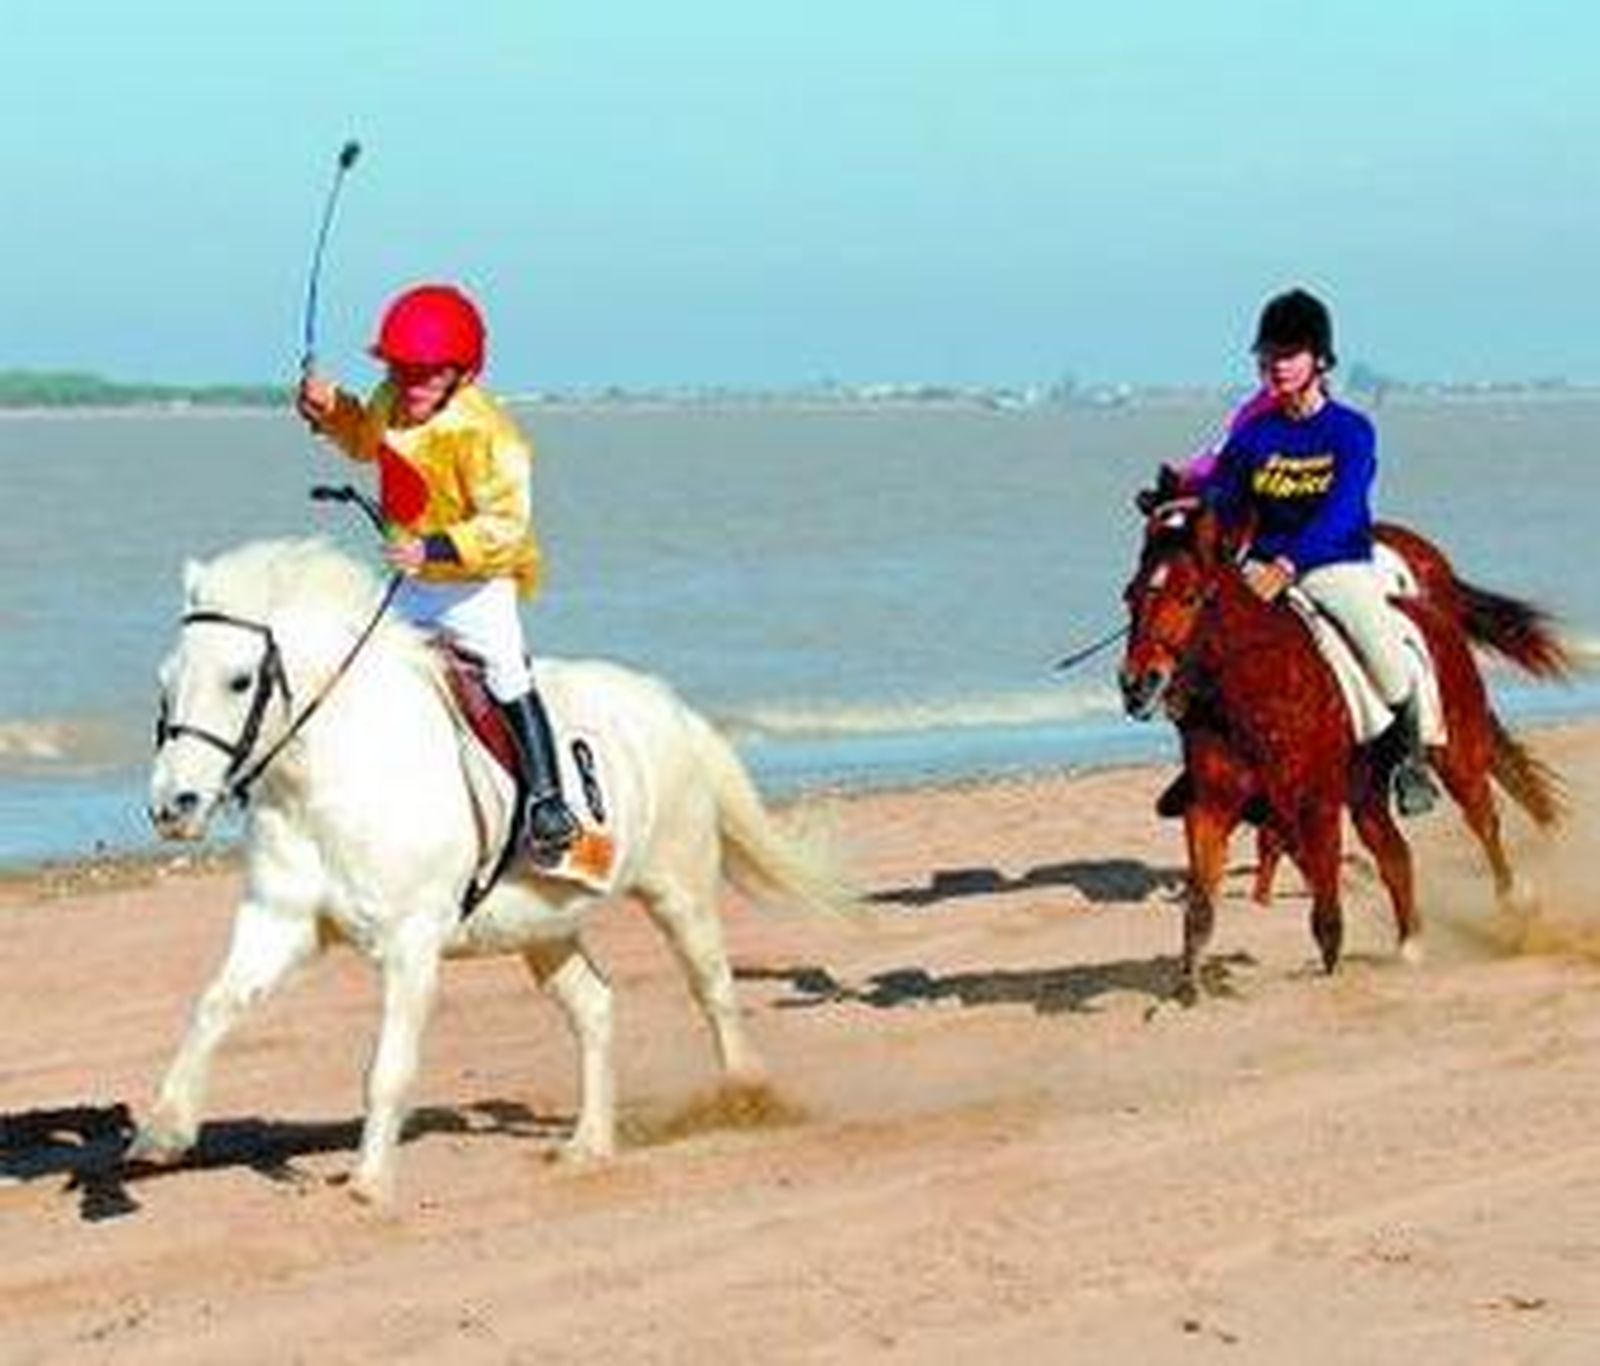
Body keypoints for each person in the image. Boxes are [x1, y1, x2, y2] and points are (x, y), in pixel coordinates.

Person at [296, 282, 581, 863]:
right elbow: (364, 443)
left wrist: (435, 550)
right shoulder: (389, 398)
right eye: (401, 370)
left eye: (426, 373)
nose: (411, 384)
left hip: (475, 585)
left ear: (460, 373)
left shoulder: (491, 434)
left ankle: (548, 802)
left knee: (505, 671)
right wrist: (332, 412)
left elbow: (507, 526)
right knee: (360, 668)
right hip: (410, 582)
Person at [1170, 287, 1439, 817]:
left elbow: (1341, 510)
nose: (1275, 365)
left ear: (1319, 360)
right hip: (1261, 566)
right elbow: (1226, 498)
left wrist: (1288, 566)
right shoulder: (1255, 436)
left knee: (1384, 650)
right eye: (1267, 355)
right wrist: (1184, 506)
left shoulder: (1350, 431)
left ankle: (1409, 761)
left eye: (1288, 355)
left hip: (1333, 563)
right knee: (1195, 638)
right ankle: (1204, 764)